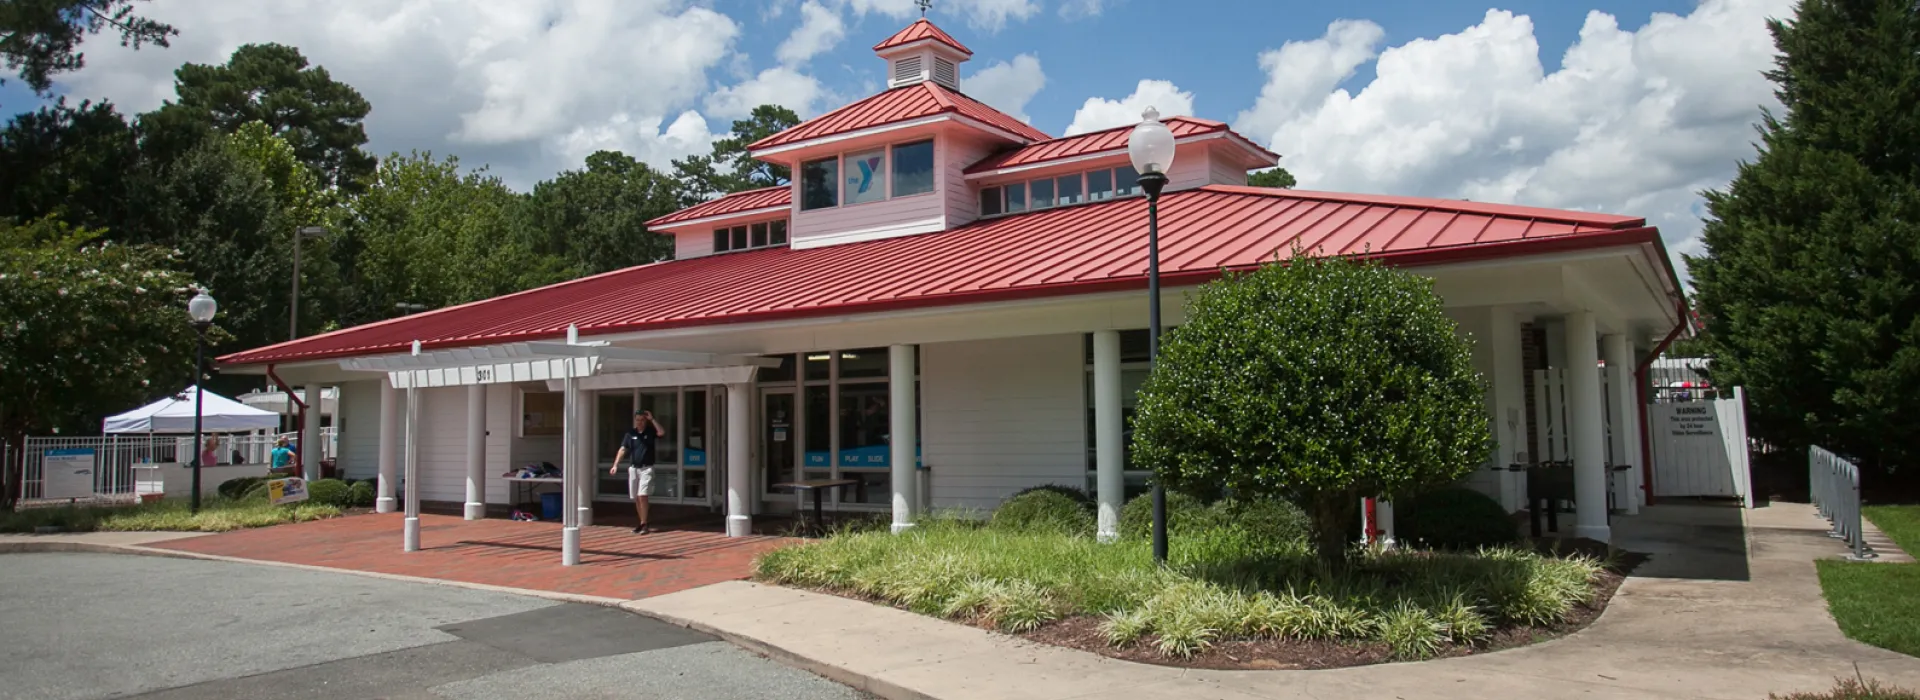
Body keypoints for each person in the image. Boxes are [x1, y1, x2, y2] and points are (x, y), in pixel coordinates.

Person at [610, 410, 663, 534]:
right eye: (638, 420)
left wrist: (652, 419)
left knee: (642, 495)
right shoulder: (630, 434)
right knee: (636, 497)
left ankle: (644, 523)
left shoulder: (650, 432)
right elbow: (623, 449)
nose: (640, 422)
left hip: (646, 468)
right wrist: (615, 465)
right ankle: (642, 522)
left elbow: (661, 432)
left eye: (642, 420)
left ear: (645, 421)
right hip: (634, 468)